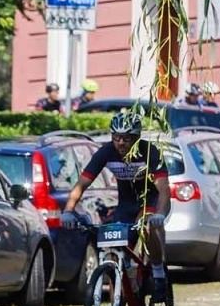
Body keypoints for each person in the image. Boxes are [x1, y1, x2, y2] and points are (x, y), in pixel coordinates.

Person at [61, 106, 172, 287]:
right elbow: (81, 184)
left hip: (150, 201)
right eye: (116, 138)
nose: (120, 143)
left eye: (126, 139)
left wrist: (160, 213)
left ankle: (158, 272)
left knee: (147, 228)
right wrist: (68, 210)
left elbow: (164, 189)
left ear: (136, 138)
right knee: (115, 255)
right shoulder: (106, 152)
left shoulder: (150, 152)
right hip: (126, 204)